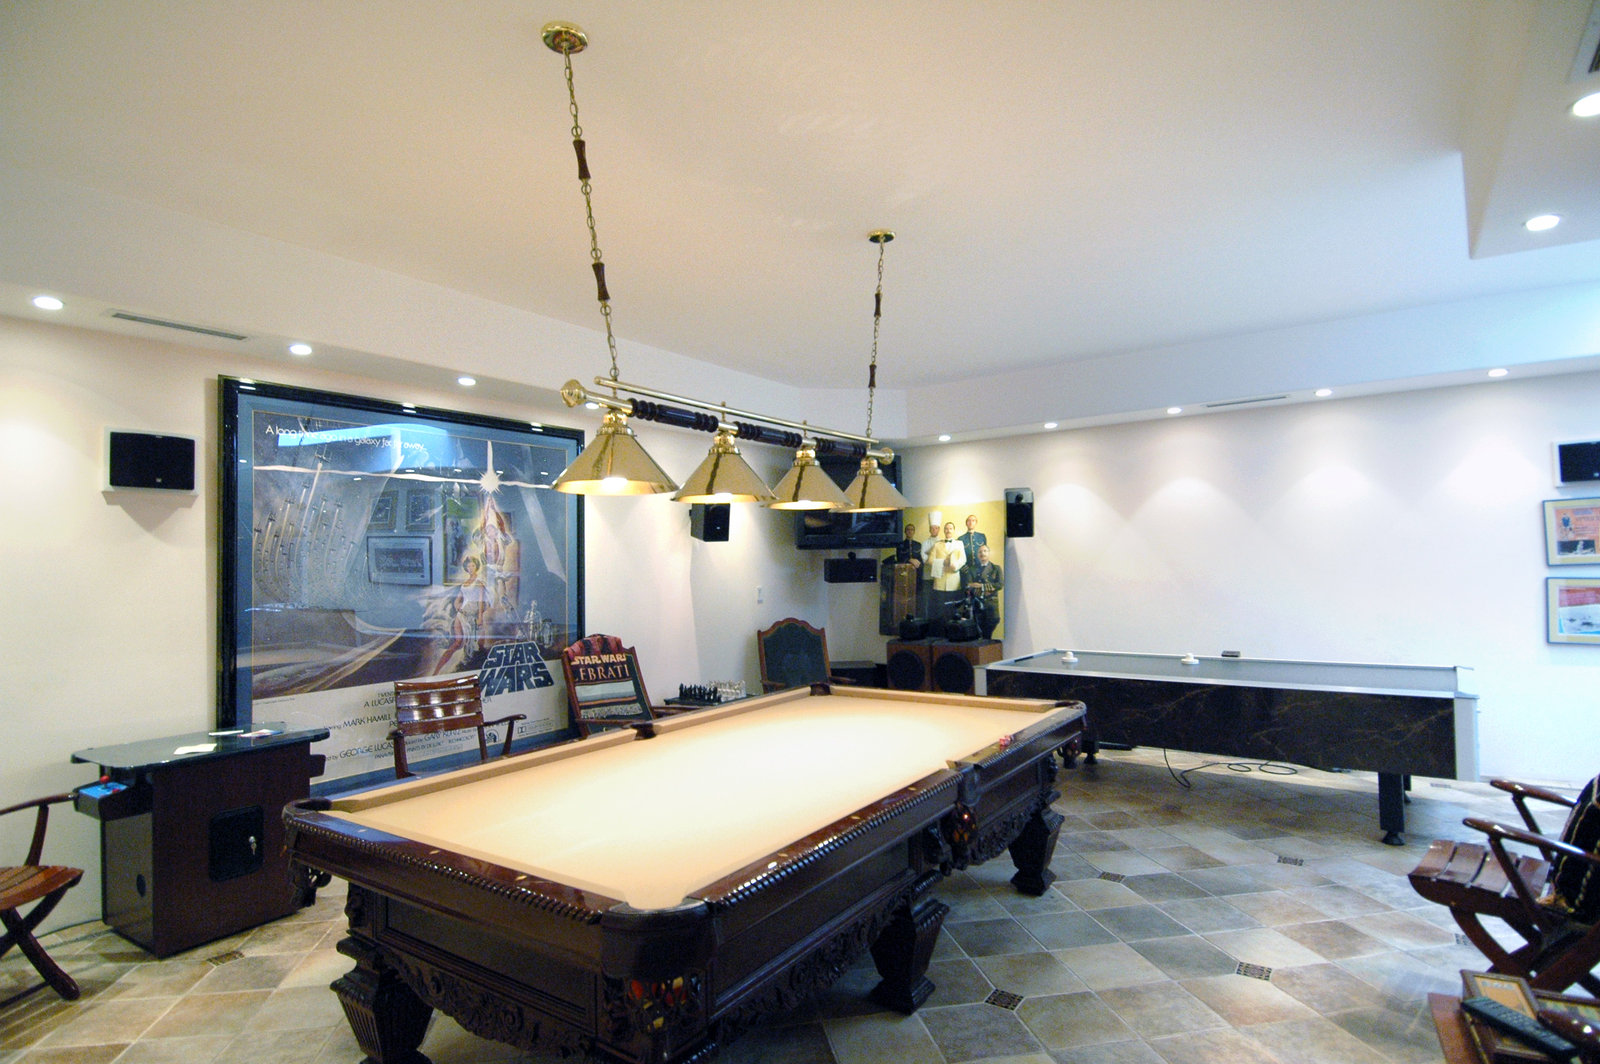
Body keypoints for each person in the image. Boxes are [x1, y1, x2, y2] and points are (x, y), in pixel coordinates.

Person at [924, 519, 967, 623]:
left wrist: (955, 565)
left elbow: (963, 559)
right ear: (944, 531)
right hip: (940, 581)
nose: (948, 530)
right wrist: (943, 562)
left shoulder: (959, 543)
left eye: (950, 528)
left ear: (954, 530)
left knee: (953, 608)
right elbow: (929, 561)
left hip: (954, 581)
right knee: (940, 608)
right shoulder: (937, 545)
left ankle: (952, 627)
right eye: (946, 528)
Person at [961, 542, 1004, 639]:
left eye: (985, 551)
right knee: (977, 627)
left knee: (992, 623)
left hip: (991, 603)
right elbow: (969, 585)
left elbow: (1000, 584)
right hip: (977, 603)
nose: (982, 553)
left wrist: (982, 586)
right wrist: (986, 588)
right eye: (980, 552)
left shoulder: (996, 568)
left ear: (989, 553)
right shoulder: (972, 569)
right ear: (977, 555)